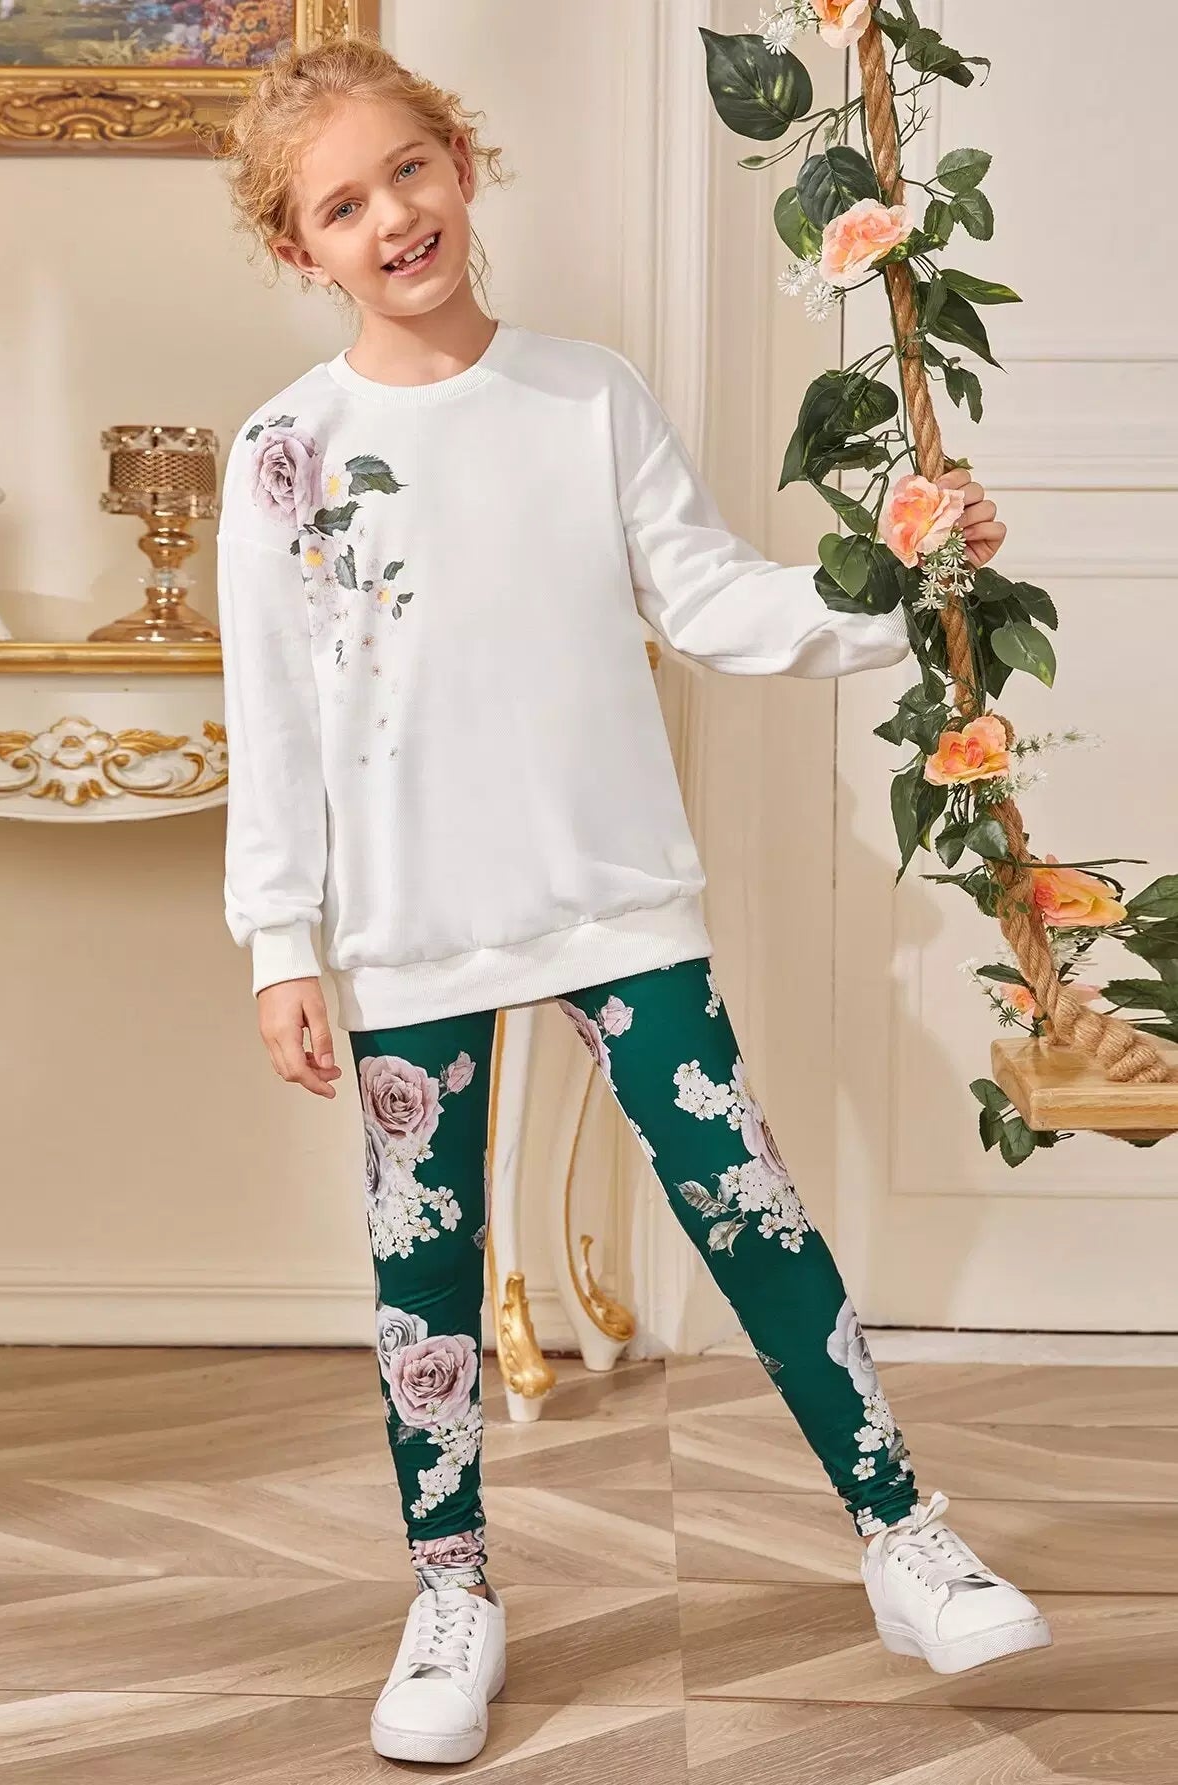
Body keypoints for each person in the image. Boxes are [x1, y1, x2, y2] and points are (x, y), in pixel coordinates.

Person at [214, 33, 1049, 1768]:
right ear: (301, 248)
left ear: (464, 164)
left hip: (609, 891)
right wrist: (280, 942)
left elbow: (716, 598)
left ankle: (904, 1533)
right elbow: (273, 713)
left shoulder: (587, 396)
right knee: (422, 1265)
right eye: (344, 205)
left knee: (748, 1207)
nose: (393, 217)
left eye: (410, 169)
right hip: (407, 920)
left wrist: (911, 591)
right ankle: (452, 1590)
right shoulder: (286, 449)